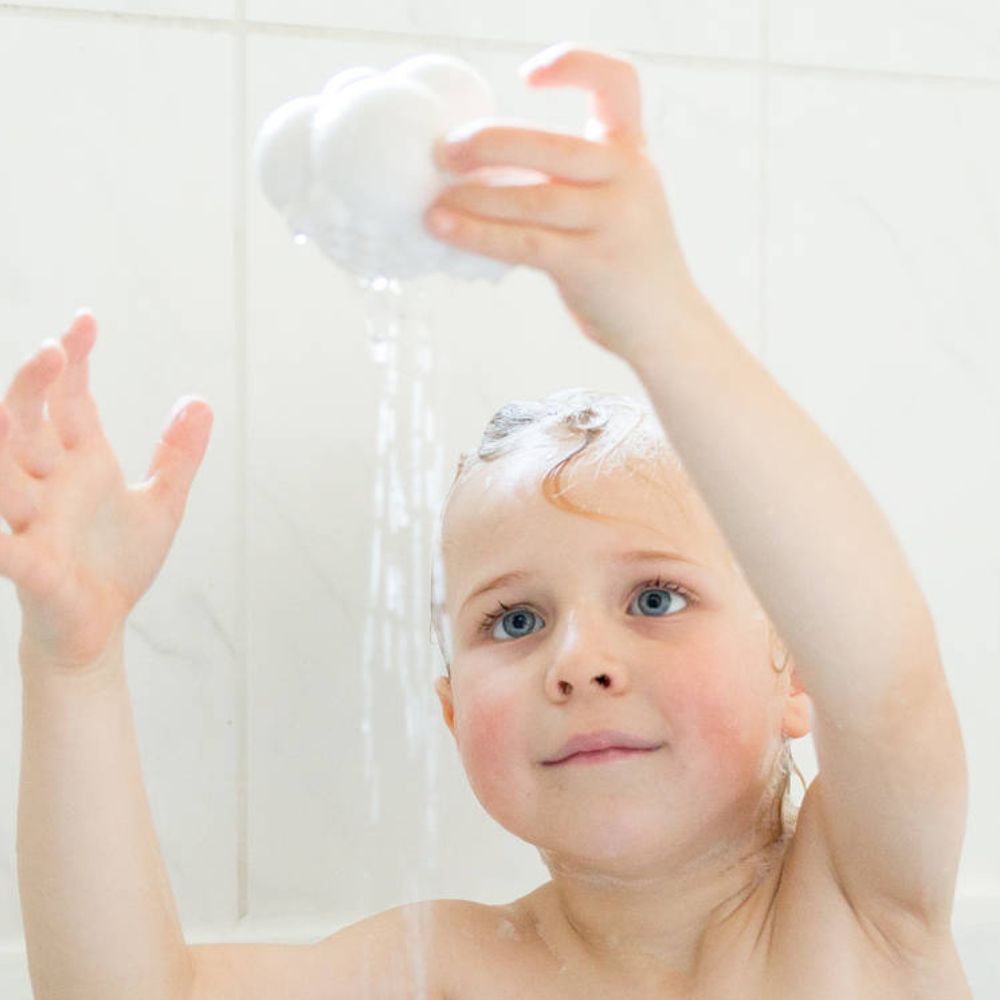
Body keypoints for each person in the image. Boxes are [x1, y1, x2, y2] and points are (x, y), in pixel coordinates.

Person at [4, 41, 971, 1000]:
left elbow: (884, 680)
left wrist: (658, 312)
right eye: (514, 620)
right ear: (455, 711)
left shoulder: (860, 905)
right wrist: (73, 660)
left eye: (656, 596)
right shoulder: (451, 969)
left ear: (795, 669)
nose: (579, 659)